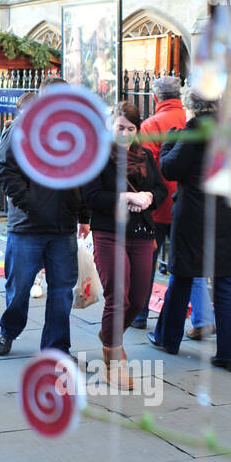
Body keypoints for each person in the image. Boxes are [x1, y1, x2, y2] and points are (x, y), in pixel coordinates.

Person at [149, 87, 231, 372]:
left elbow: (169, 169)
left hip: (194, 219)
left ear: (193, 107)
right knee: (225, 283)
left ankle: (168, 338)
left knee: (182, 278)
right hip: (226, 217)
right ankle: (230, 354)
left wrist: (168, 143)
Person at [0, 81, 84, 357]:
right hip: (27, 225)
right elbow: (4, 170)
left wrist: (84, 213)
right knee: (19, 289)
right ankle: (8, 331)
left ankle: (56, 346)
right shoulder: (20, 128)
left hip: (63, 225)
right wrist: (30, 202)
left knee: (62, 291)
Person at [81, 101, 168, 387]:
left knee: (139, 298)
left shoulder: (143, 155)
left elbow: (161, 188)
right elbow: (90, 197)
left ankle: (109, 335)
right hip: (109, 232)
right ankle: (112, 360)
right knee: (118, 296)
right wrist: (125, 198)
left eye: (131, 129)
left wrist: (148, 197)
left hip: (141, 232)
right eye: (120, 128)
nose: (126, 134)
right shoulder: (97, 156)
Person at [131, 75, 213, 337]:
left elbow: (144, 170)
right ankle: (202, 320)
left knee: (147, 261)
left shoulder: (152, 125)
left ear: (155, 97)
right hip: (190, 204)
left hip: (158, 206)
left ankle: (140, 314)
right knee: (194, 263)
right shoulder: (193, 120)